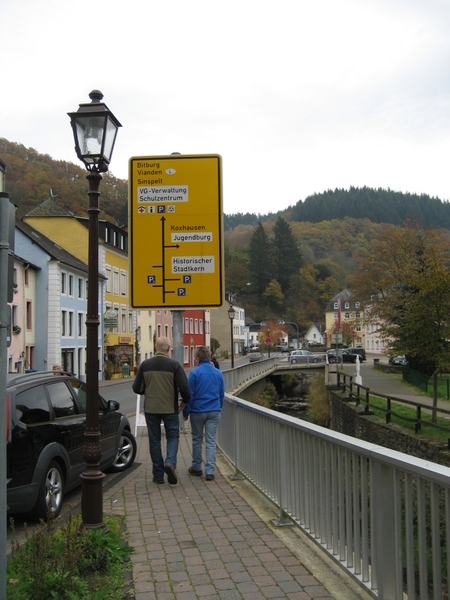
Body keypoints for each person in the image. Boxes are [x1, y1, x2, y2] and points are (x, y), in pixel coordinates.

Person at [132, 336, 190, 485]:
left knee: (154, 440)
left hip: (151, 409)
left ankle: (158, 475)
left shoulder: (145, 365)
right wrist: (184, 401)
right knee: (172, 436)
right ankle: (170, 463)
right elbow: (184, 388)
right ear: (169, 349)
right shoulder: (174, 365)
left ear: (155, 348)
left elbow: (136, 388)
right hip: (170, 408)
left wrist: (147, 389)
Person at [183, 346, 225, 481]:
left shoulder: (194, 374)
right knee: (211, 441)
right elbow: (221, 394)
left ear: (197, 358)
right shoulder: (218, 373)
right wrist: (219, 407)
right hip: (214, 410)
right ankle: (210, 471)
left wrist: (185, 412)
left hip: (198, 411)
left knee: (197, 439)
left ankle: (196, 467)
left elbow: (190, 395)